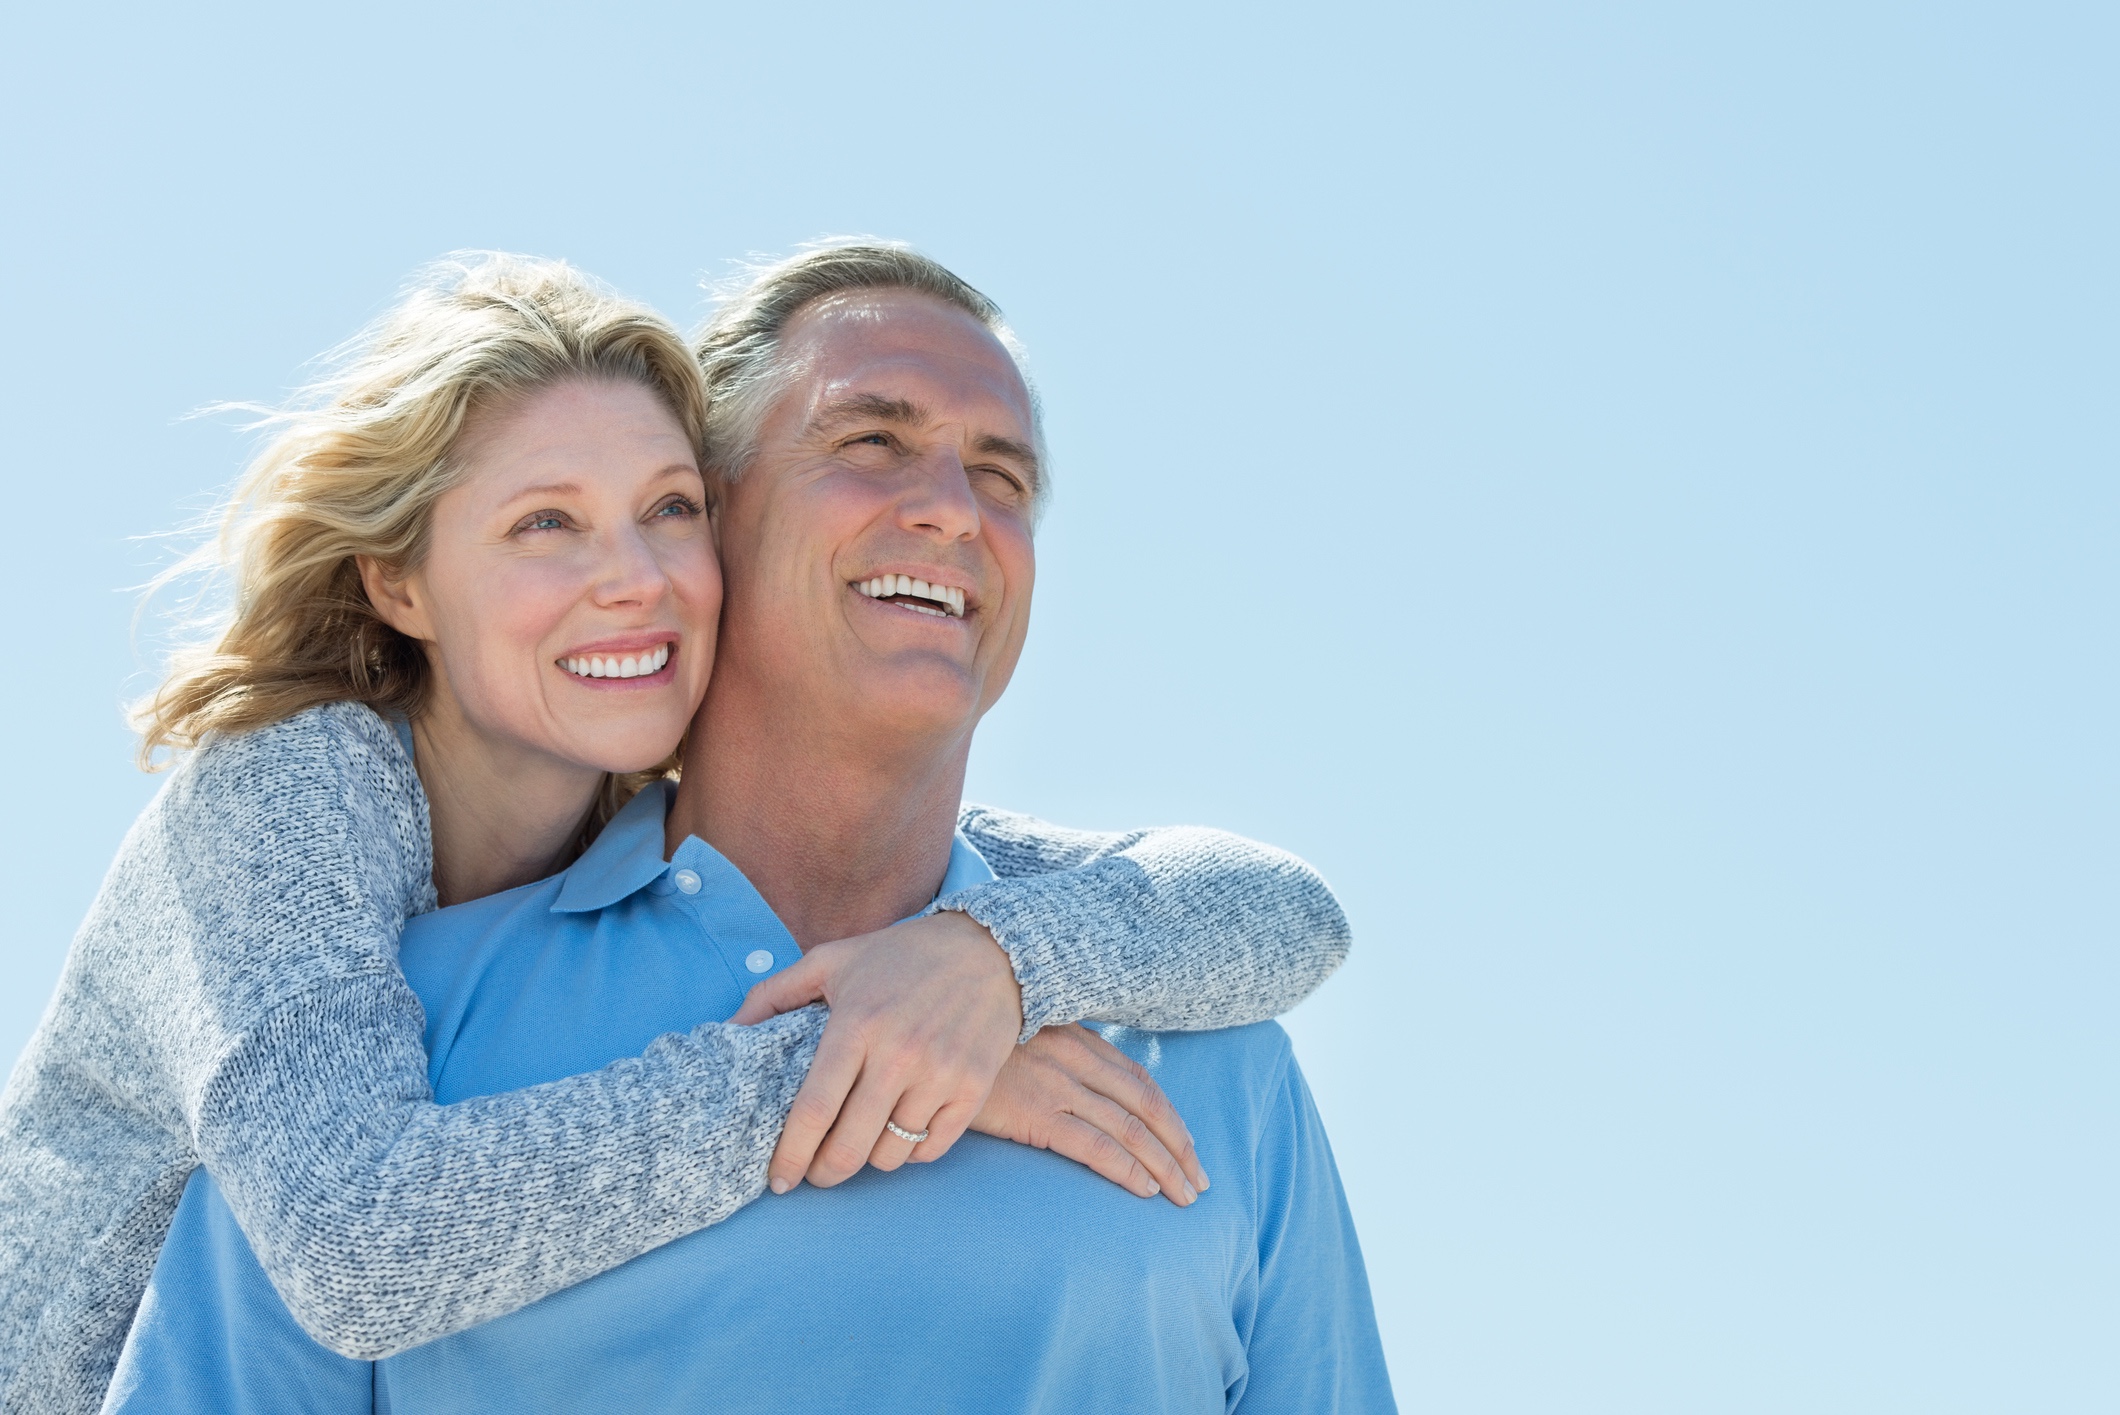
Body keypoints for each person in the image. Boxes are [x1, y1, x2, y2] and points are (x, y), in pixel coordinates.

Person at [0, 255, 1356, 1415]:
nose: (629, 579)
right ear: (398, 579)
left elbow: (1278, 909)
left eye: (664, 515)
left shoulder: (1183, 1044)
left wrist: (985, 961)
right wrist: (868, 1058)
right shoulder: (306, 861)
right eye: (871, 440)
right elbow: (356, 1247)